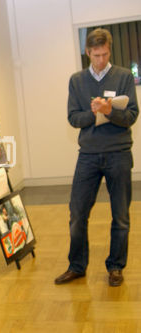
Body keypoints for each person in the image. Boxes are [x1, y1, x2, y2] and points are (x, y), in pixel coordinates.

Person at [55, 28, 139, 287]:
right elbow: (73, 118)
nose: (101, 60)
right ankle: (77, 266)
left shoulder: (124, 76)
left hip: (119, 154)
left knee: (121, 216)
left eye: (104, 54)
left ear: (109, 50)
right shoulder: (77, 80)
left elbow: (131, 116)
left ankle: (115, 267)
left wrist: (109, 111)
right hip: (88, 156)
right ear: (87, 53)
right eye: (96, 55)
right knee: (77, 213)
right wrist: (95, 114)